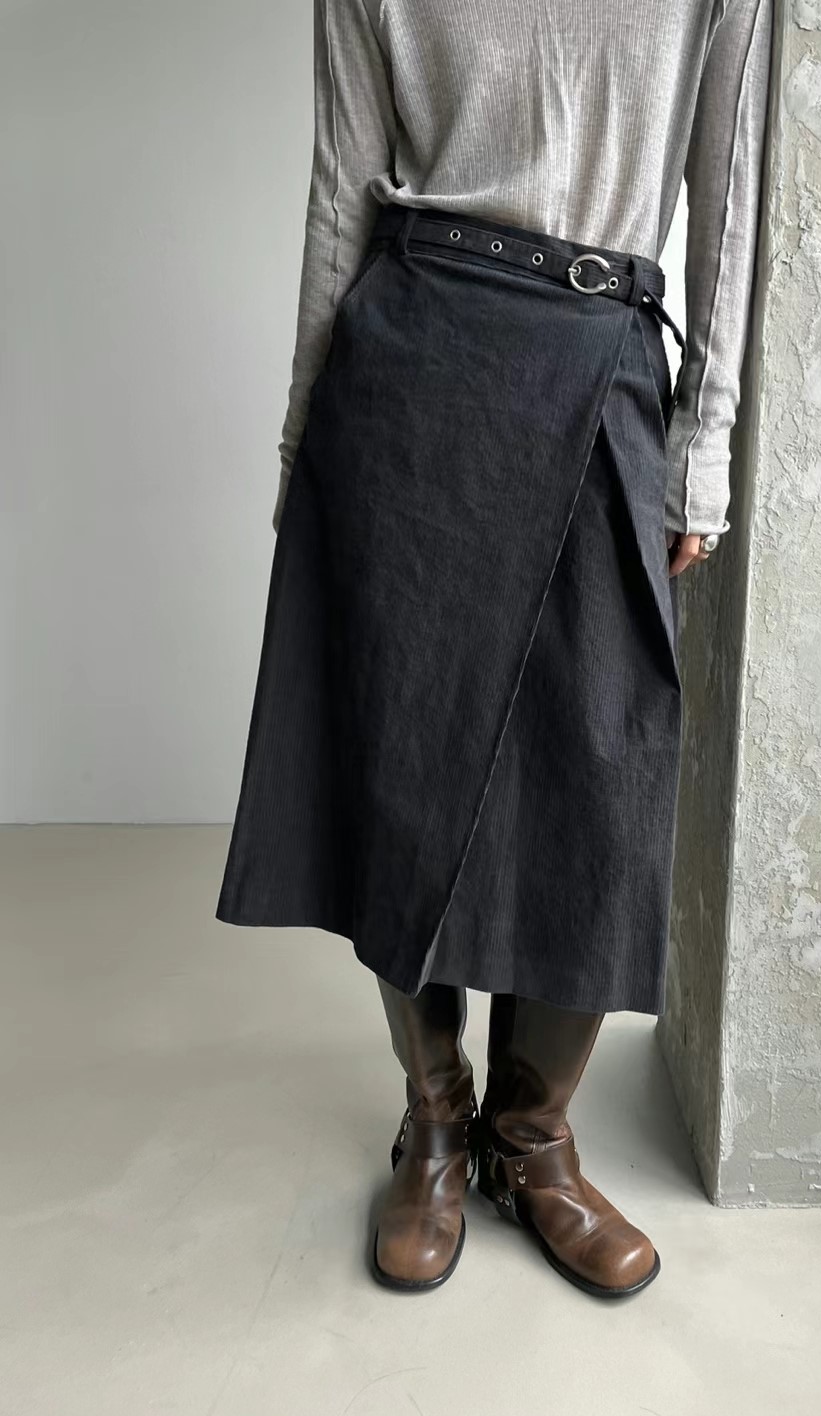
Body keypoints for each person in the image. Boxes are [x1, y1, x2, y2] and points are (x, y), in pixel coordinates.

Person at [216, 0, 773, 1298]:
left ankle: (534, 1142)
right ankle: (435, 1124)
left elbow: (731, 188)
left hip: (601, 355)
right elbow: (340, 187)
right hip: (408, 366)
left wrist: (703, 445)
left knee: (598, 775)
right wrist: (304, 436)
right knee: (405, 766)